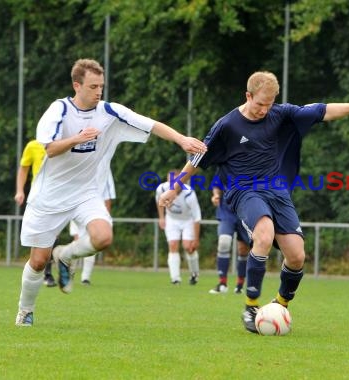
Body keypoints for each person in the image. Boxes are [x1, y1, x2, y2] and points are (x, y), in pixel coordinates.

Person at [159, 71, 349, 333]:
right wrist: (175, 189)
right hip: (243, 191)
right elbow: (197, 158)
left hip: (277, 191)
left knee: (297, 255)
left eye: (269, 104)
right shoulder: (227, 125)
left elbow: (322, 111)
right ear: (248, 95)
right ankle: (251, 306)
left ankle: (280, 304)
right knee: (264, 234)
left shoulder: (279, 114)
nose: (263, 110)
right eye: (259, 104)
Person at [15, 58, 207, 326]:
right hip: (49, 196)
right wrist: (77, 139)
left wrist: (181, 140)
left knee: (103, 237)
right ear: (77, 85)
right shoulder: (58, 110)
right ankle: (25, 310)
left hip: (87, 193)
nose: (98, 92)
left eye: (101, 86)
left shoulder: (109, 111)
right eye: (93, 86)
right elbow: (49, 148)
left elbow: (150, 123)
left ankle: (67, 255)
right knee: (37, 261)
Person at [14, 140, 57, 287]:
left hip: (59, 197)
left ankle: (47, 272)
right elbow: (23, 168)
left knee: (52, 236)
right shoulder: (32, 146)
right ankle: (38, 269)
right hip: (38, 198)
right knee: (39, 238)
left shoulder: (65, 144)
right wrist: (20, 191)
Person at [155, 170, 202, 285]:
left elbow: (196, 218)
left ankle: (194, 273)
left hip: (188, 221)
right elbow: (159, 201)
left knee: (188, 247)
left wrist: (196, 239)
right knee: (172, 245)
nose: (172, 185)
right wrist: (161, 217)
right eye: (170, 181)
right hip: (171, 220)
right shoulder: (161, 189)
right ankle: (175, 278)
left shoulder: (189, 194)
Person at [70, 171, 116, 285]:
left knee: (92, 245)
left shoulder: (105, 169)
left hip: (95, 212)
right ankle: (69, 273)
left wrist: (105, 217)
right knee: (77, 242)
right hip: (76, 208)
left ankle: (85, 277)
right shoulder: (79, 161)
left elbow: (108, 197)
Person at [208, 185, 250, 294]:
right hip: (226, 213)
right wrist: (216, 195)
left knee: (243, 249)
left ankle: (240, 285)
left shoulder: (254, 168)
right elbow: (217, 184)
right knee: (224, 242)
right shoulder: (224, 167)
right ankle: (222, 284)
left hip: (246, 212)